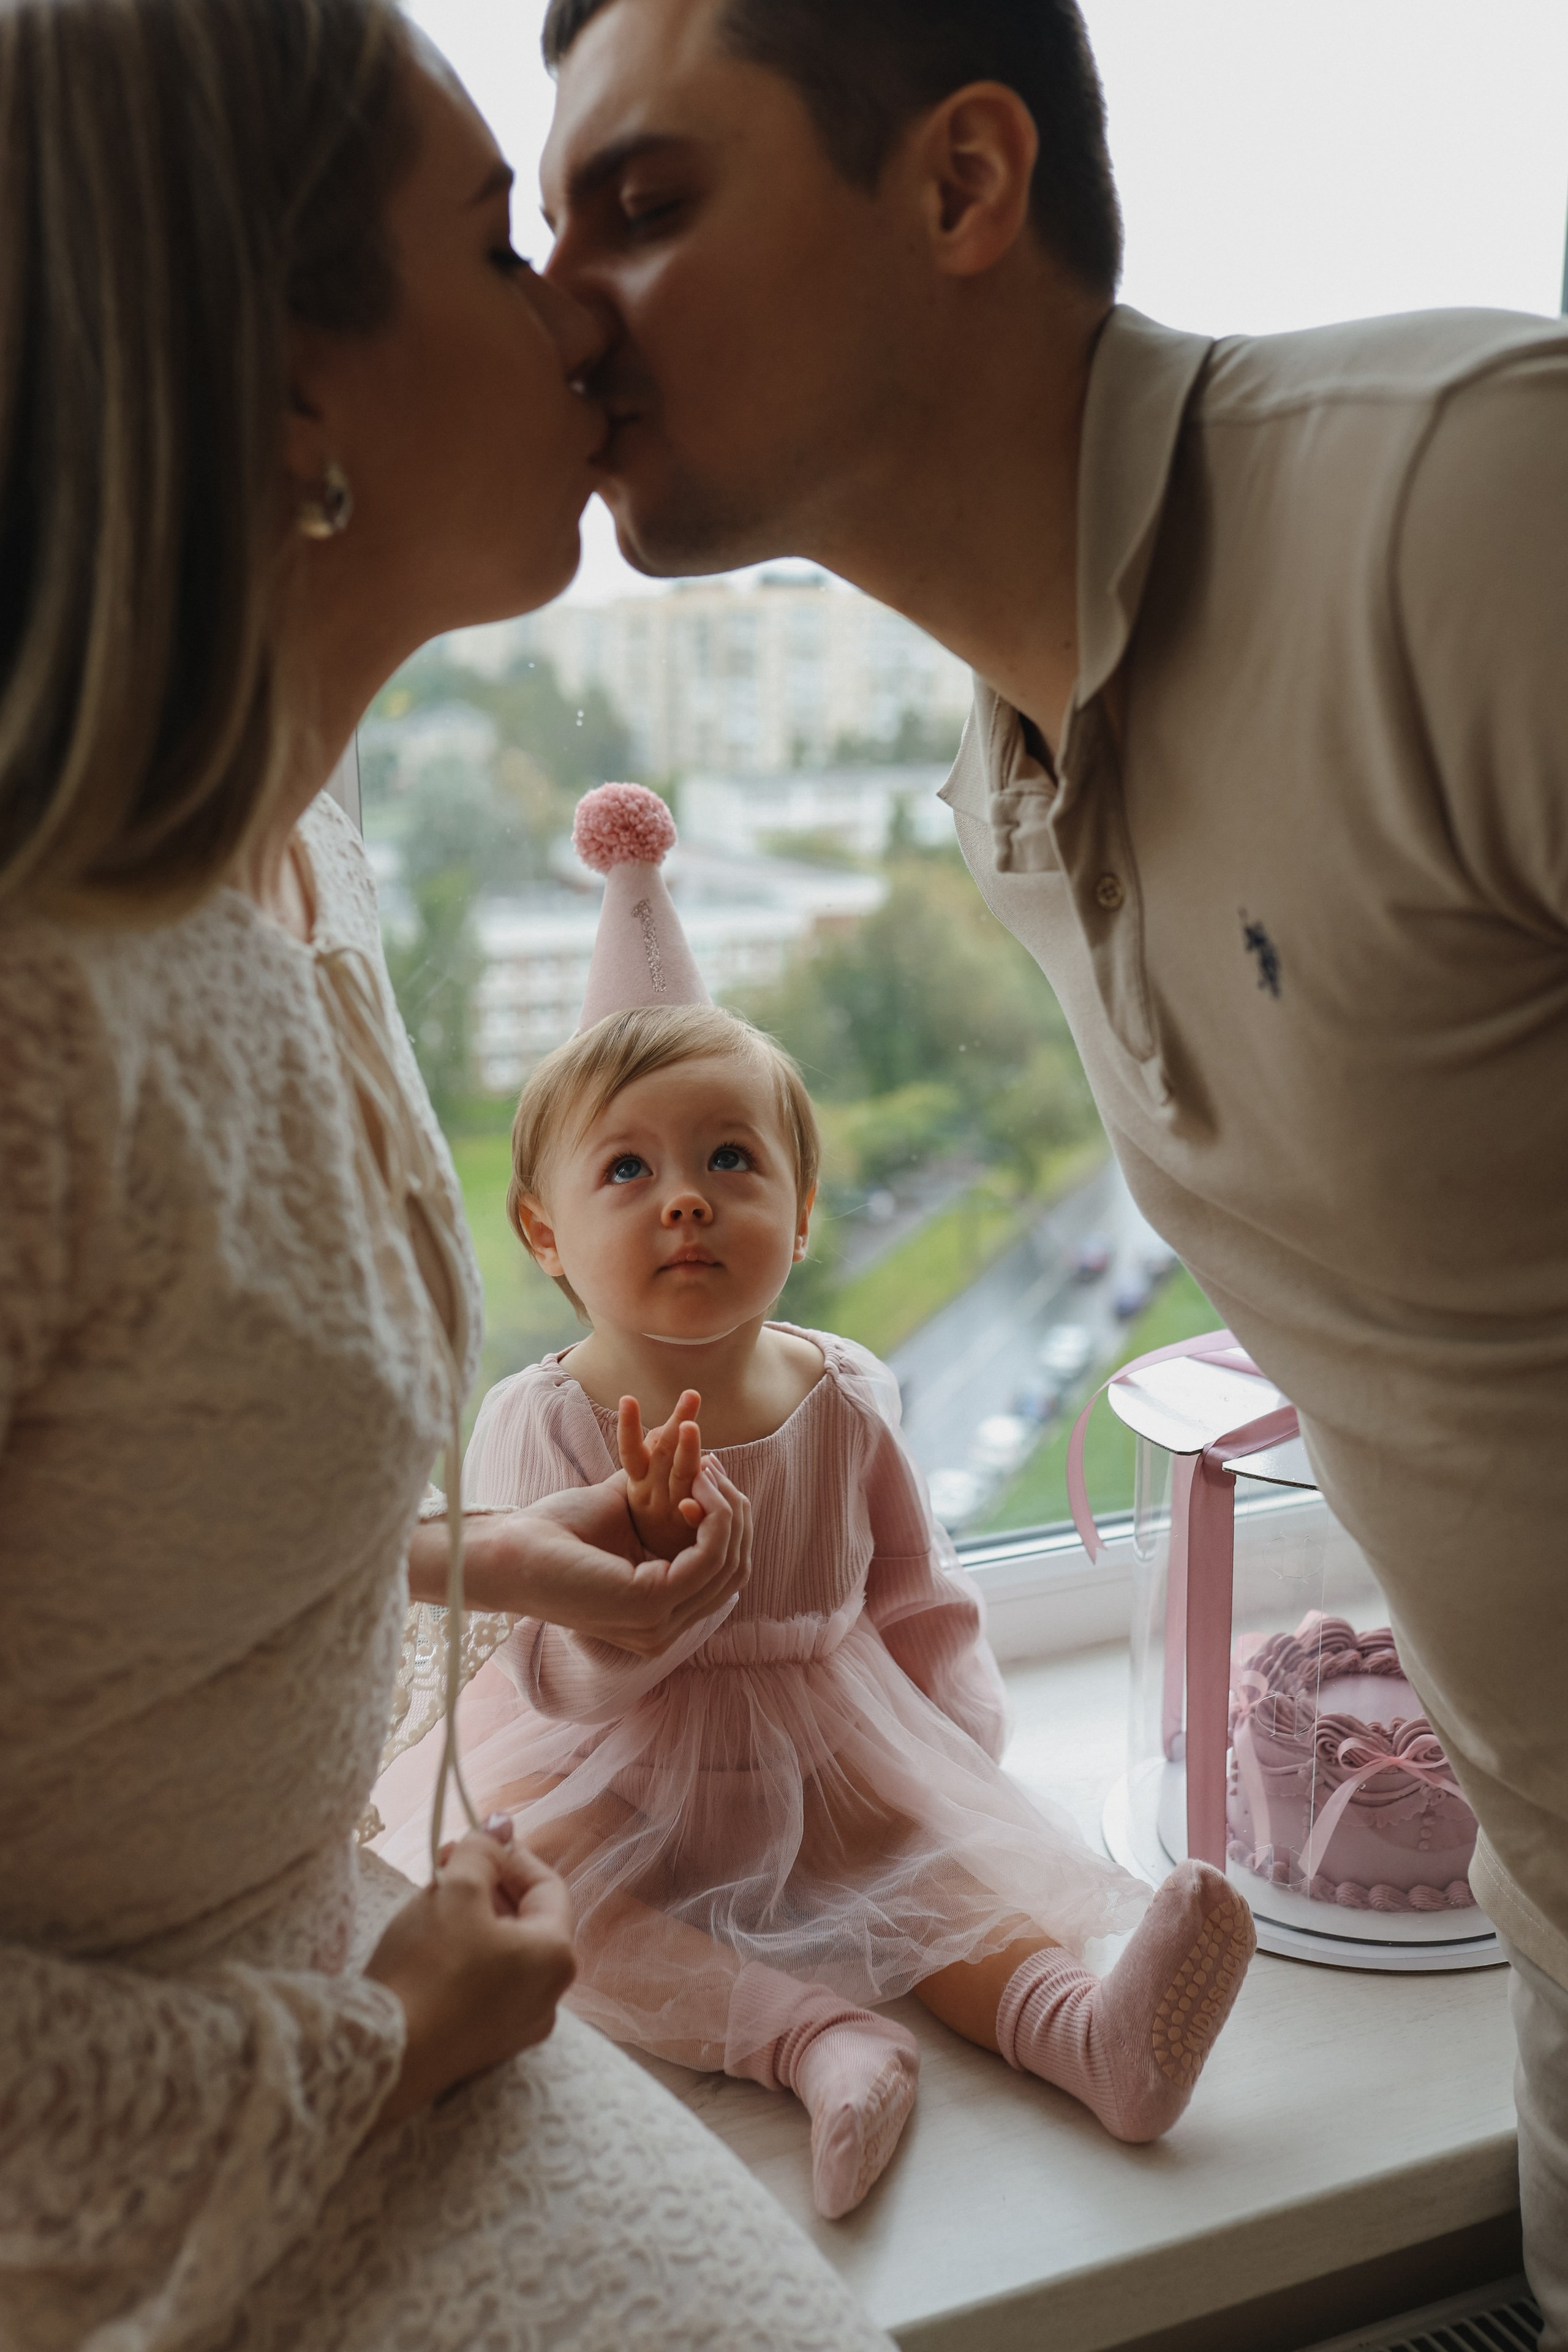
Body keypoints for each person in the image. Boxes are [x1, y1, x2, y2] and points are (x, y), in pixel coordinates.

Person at [533, 0, 1568, 2331]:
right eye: (543, 226)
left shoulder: (1469, 507)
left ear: (963, 186)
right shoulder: (1014, 789)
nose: (560, 306)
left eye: (649, 205)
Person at [0, 2, 895, 2346]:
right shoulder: (28, 1015)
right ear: (290, 391)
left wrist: (487, 1559)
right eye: (498, 241)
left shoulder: (304, 859)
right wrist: (379, 2045)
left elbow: (88, 1545)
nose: (579, 313)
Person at [371, 782, 1255, 2220]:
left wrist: (946, 1753)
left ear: (803, 1201)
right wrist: (641, 1600)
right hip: (618, 1779)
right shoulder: (539, 1417)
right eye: (627, 1168)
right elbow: (544, 1665)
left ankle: (1084, 2035)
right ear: (543, 1230)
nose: (686, 1200)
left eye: (731, 1158)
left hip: (827, 1748)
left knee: (940, 1894)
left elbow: (911, 1586)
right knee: (551, 1922)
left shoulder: (839, 1391)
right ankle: (815, 2044)